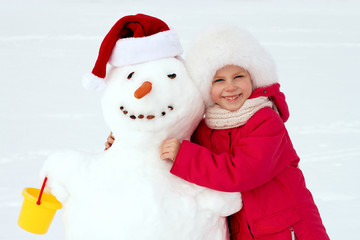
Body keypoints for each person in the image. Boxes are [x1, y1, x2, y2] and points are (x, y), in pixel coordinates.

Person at [159, 27, 330, 240]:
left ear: (253, 78)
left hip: (289, 230)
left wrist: (185, 157)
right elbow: (169, 139)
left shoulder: (265, 120)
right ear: (205, 87)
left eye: (238, 76)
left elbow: (242, 173)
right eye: (219, 80)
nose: (230, 87)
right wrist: (126, 141)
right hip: (246, 233)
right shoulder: (206, 128)